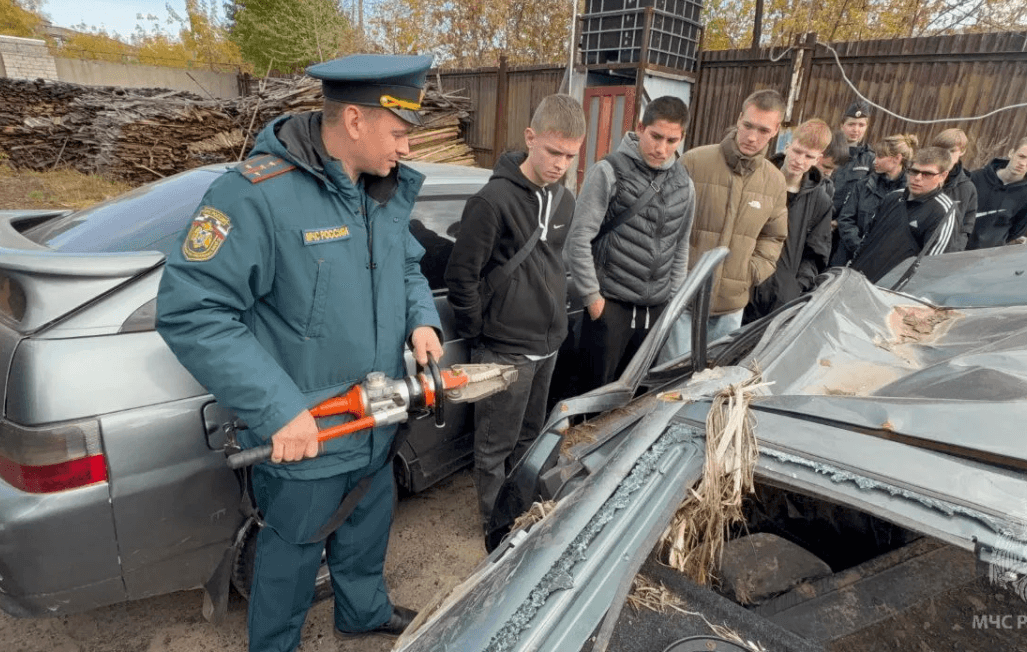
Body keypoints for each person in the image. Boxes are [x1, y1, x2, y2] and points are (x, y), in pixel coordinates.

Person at [155, 54, 442, 651]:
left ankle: (361, 614)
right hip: (310, 428)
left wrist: (422, 320)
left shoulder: (380, 191)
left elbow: (408, 267)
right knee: (288, 560)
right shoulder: (256, 196)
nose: (407, 149)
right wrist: (276, 407)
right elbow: (193, 311)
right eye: (400, 132)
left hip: (376, 414)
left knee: (367, 529)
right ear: (356, 121)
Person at [443, 94, 587, 550]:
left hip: (547, 345)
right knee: (492, 449)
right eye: (552, 152)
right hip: (504, 349)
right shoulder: (492, 201)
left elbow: (552, 266)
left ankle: (523, 513)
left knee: (530, 438)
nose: (559, 164)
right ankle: (496, 533)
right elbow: (461, 276)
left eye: (569, 155)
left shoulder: (564, 201)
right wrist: (480, 331)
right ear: (531, 138)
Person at [565, 96, 695, 390]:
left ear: (681, 138)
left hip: (655, 313)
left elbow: (680, 246)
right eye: (655, 136)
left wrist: (672, 303)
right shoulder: (608, 171)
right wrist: (594, 300)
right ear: (640, 128)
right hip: (610, 309)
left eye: (671, 140)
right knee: (594, 397)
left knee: (635, 400)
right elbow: (578, 238)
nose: (661, 148)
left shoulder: (685, 183)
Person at [661, 89, 788, 360]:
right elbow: (663, 220)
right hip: (682, 299)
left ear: (776, 130)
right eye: (748, 125)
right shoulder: (694, 162)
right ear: (739, 118)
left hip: (731, 307)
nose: (752, 137)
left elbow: (774, 237)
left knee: (714, 387)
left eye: (763, 130)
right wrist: (675, 272)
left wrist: (749, 272)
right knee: (669, 386)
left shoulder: (775, 182)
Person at [744, 119, 833, 323]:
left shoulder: (820, 201)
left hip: (781, 298)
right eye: (797, 151)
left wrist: (796, 286)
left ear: (818, 158)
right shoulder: (757, 180)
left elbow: (816, 252)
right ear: (786, 146)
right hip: (743, 286)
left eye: (808, 156)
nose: (799, 160)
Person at [849, 147, 957, 282]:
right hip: (857, 280)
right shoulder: (893, 197)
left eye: (927, 174)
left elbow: (931, 267)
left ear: (943, 175)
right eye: (914, 171)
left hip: (889, 292)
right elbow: (867, 238)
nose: (917, 178)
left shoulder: (943, 212)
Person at [832, 133, 918, 265]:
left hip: (882, 262)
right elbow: (846, 219)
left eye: (880, 156)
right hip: (848, 256)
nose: (874, 160)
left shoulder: (910, 193)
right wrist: (859, 247)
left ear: (897, 158)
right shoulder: (863, 185)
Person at [968, 136, 1027, 249]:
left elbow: (1018, 230)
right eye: (1021, 156)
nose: (1023, 163)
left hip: (987, 255)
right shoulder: (976, 177)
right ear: (1011, 153)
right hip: (954, 249)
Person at [929, 127, 978, 251]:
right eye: (941, 150)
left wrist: (951, 252)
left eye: (951, 151)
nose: (945, 155)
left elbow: (965, 228)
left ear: (962, 151)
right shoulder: (917, 175)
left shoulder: (967, 188)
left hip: (941, 255)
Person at [830, 100, 876, 217]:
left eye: (861, 125)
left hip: (846, 221)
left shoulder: (869, 159)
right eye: (851, 124)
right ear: (842, 126)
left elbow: (866, 197)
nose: (856, 130)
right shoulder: (828, 151)